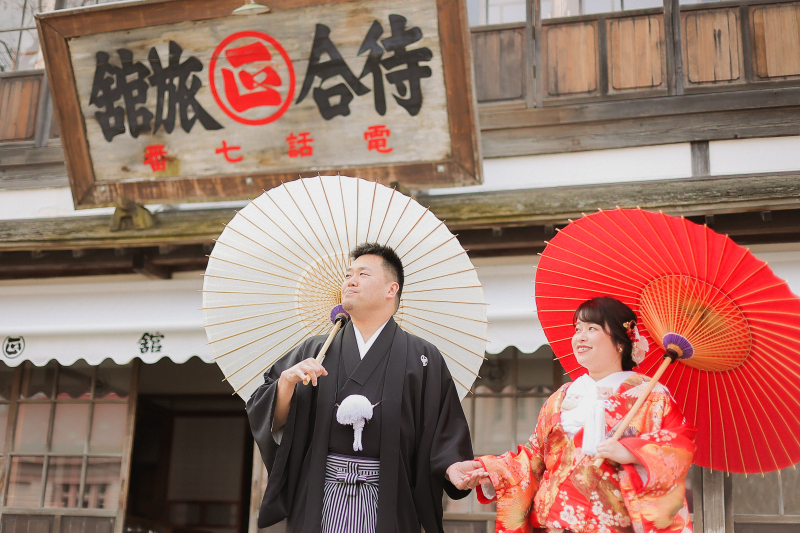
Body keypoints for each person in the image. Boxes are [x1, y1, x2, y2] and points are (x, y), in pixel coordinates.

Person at [246, 242, 481, 533]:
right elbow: (271, 417)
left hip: (389, 497)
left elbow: (442, 430)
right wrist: (286, 383)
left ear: (391, 290)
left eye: (363, 274)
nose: (350, 280)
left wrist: (451, 467)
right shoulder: (315, 349)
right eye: (348, 275)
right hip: (320, 494)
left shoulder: (423, 357)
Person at [449, 296, 696, 533]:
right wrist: (486, 467)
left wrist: (632, 452)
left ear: (621, 341)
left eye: (592, 328)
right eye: (577, 329)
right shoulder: (561, 396)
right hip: (552, 523)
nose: (580, 337)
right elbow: (534, 459)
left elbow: (677, 450)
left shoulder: (651, 395)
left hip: (611, 524)